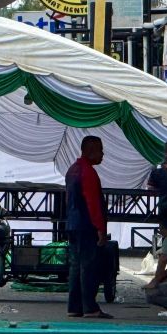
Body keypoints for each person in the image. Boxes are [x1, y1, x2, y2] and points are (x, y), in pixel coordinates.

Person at [64, 136, 112, 319]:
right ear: (90, 150)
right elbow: (93, 203)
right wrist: (100, 228)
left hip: (73, 224)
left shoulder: (73, 170)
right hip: (86, 225)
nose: (103, 154)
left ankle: (74, 306)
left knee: (76, 266)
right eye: (100, 150)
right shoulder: (88, 172)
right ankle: (90, 307)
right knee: (89, 267)